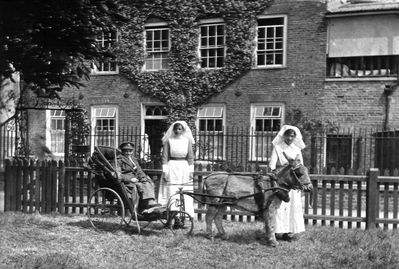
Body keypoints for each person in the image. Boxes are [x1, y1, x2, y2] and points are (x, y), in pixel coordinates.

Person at [268, 125, 306, 241]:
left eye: (292, 136)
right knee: (280, 206)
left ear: (295, 137)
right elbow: (272, 164)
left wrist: (301, 180)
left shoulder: (297, 149)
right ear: (283, 136)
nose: (289, 138)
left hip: (293, 181)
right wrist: (274, 174)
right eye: (288, 136)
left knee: (292, 205)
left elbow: (301, 166)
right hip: (282, 180)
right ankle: (277, 231)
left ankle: (289, 232)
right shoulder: (278, 147)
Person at [158, 121, 195, 217]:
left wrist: (191, 171)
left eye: (180, 129)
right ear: (173, 129)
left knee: (184, 191)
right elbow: (165, 157)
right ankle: (171, 214)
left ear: (183, 130)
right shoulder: (169, 140)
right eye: (176, 129)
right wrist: (165, 171)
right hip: (172, 167)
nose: (178, 131)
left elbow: (190, 157)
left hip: (184, 167)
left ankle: (184, 214)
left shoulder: (187, 141)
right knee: (172, 190)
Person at [114, 142, 159, 212]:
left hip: (136, 179)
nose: (128, 153)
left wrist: (143, 177)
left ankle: (149, 203)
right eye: (126, 151)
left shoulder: (133, 159)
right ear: (122, 151)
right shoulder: (118, 160)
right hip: (126, 182)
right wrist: (130, 179)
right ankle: (144, 205)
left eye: (130, 151)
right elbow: (117, 175)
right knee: (140, 186)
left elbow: (139, 171)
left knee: (148, 183)